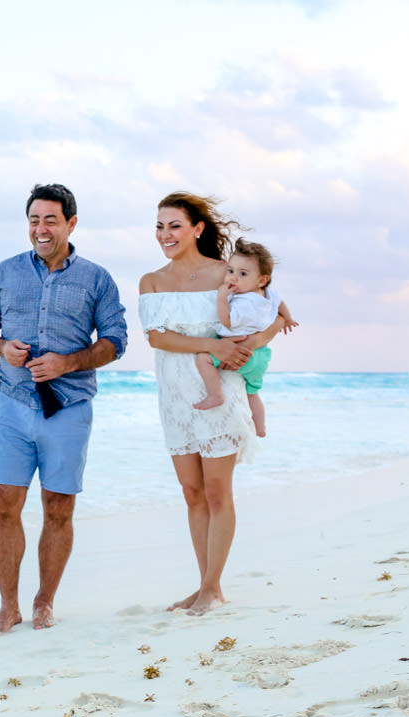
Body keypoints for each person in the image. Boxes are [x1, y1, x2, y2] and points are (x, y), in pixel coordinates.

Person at [0, 183, 128, 633]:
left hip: (69, 407)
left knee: (58, 507)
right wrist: (1, 347)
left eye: (50, 220)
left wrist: (67, 362)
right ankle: (7, 606)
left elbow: (116, 341)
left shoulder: (97, 278)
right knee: (2, 504)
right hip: (11, 404)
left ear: (71, 223)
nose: (40, 229)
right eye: (34, 220)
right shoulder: (6, 271)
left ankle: (44, 602)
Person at [138, 192, 285, 616]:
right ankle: (205, 585)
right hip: (175, 397)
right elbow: (158, 338)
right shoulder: (151, 280)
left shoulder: (228, 272)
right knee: (192, 493)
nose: (165, 234)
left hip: (219, 392)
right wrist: (213, 344)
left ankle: (211, 586)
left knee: (218, 493)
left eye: (175, 225)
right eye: (160, 226)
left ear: (197, 229)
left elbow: (270, 309)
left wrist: (254, 343)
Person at [192, 238, 299, 436]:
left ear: (261, 280)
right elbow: (281, 303)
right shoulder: (267, 294)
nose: (233, 278)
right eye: (230, 271)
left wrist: (221, 297)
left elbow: (226, 321)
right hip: (262, 356)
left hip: (239, 351)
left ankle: (215, 395)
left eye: (242, 274)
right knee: (253, 394)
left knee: (202, 359)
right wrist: (289, 318)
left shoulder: (244, 303)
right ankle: (260, 428)